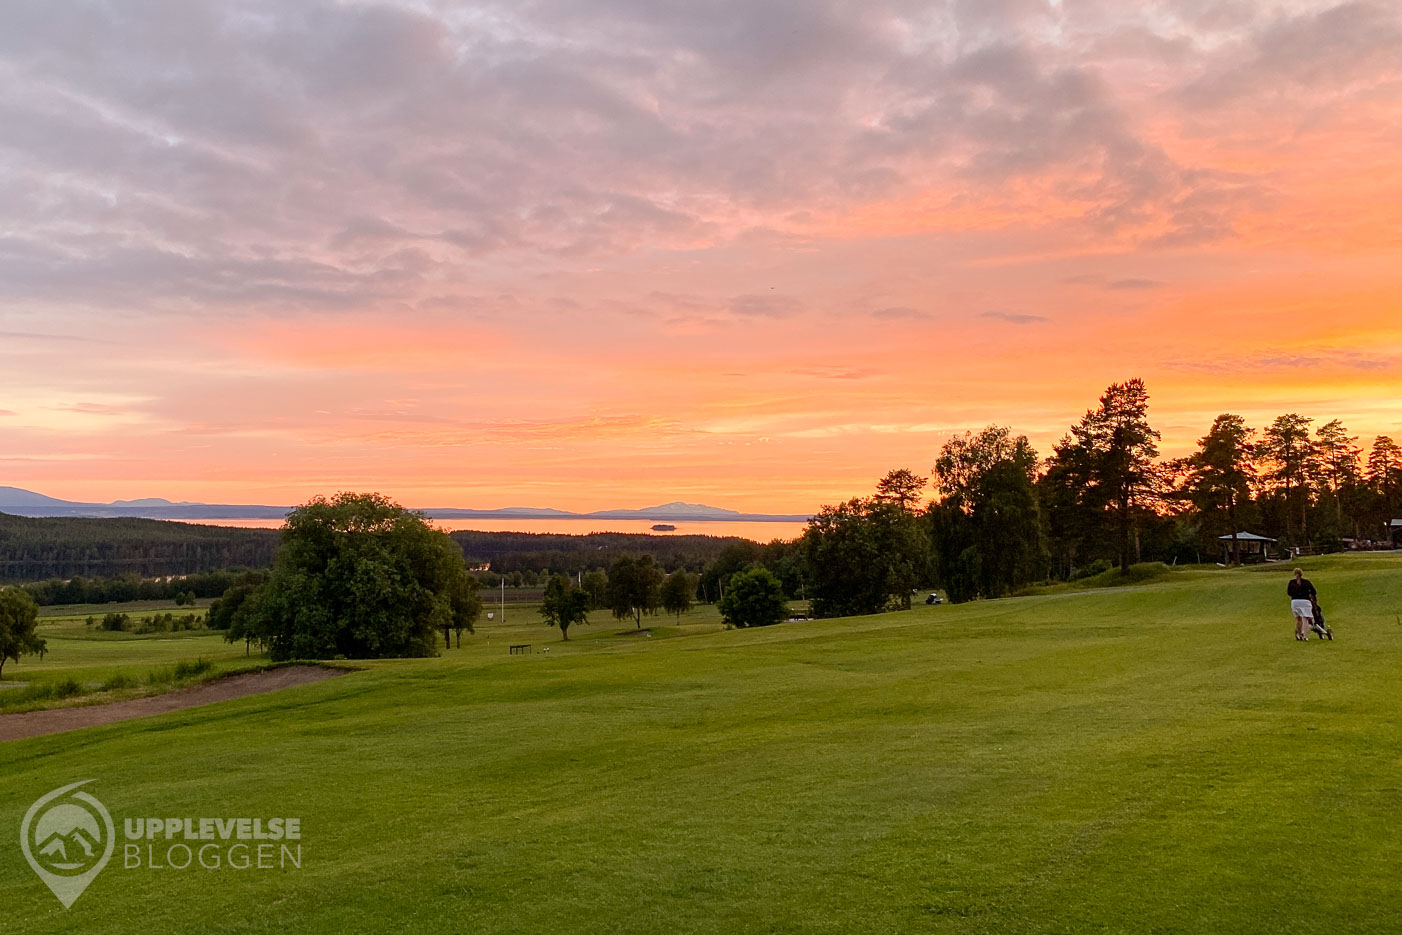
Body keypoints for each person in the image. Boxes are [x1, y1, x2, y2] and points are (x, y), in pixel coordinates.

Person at [1287, 568, 1318, 641]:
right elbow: (1314, 592)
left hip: (1295, 602)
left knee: (1298, 619)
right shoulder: (1306, 582)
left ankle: (1299, 635)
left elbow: (1289, 592)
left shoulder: (1291, 582)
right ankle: (1305, 636)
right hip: (1305, 601)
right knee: (1306, 619)